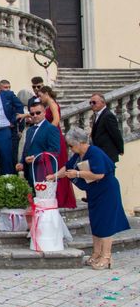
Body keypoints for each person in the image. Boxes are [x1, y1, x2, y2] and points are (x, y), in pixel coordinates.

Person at [48, 128, 129, 270]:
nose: (71, 148)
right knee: (96, 222)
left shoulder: (95, 152)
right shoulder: (79, 154)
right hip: (95, 191)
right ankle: (96, 253)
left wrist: (78, 174)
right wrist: (54, 176)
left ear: (80, 142)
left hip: (106, 190)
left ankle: (107, 257)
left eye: (71, 145)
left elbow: (99, 174)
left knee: (105, 222)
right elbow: (67, 168)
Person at [38, 86, 76, 208]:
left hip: (55, 136)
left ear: (46, 94)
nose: (40, 98)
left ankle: (61, 197)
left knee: (58, 165)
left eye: (40, 95)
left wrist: (46, 132)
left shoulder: (53, 105)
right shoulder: (49, 106)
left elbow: (56, 120)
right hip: (52, 135)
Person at [15, 101, 60, 190]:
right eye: (32, 113)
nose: (35, 115)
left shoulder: (51, 129)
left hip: (44, 171)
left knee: (43, 201)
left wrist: (35, 157)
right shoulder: (30, 130)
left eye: (38, 113)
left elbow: (55, 151)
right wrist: (21, 162)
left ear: (44, 113)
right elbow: (26, 150)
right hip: (30, 172)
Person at [89, 93, 124, 164]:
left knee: (108, 174)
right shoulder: (98, 114)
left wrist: (120, 149)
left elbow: (115, 134)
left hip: (107, 154)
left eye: (94, 102)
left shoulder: (108, 116)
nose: (92, 104)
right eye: (90, 103)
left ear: (103, 102)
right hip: (101, 153)